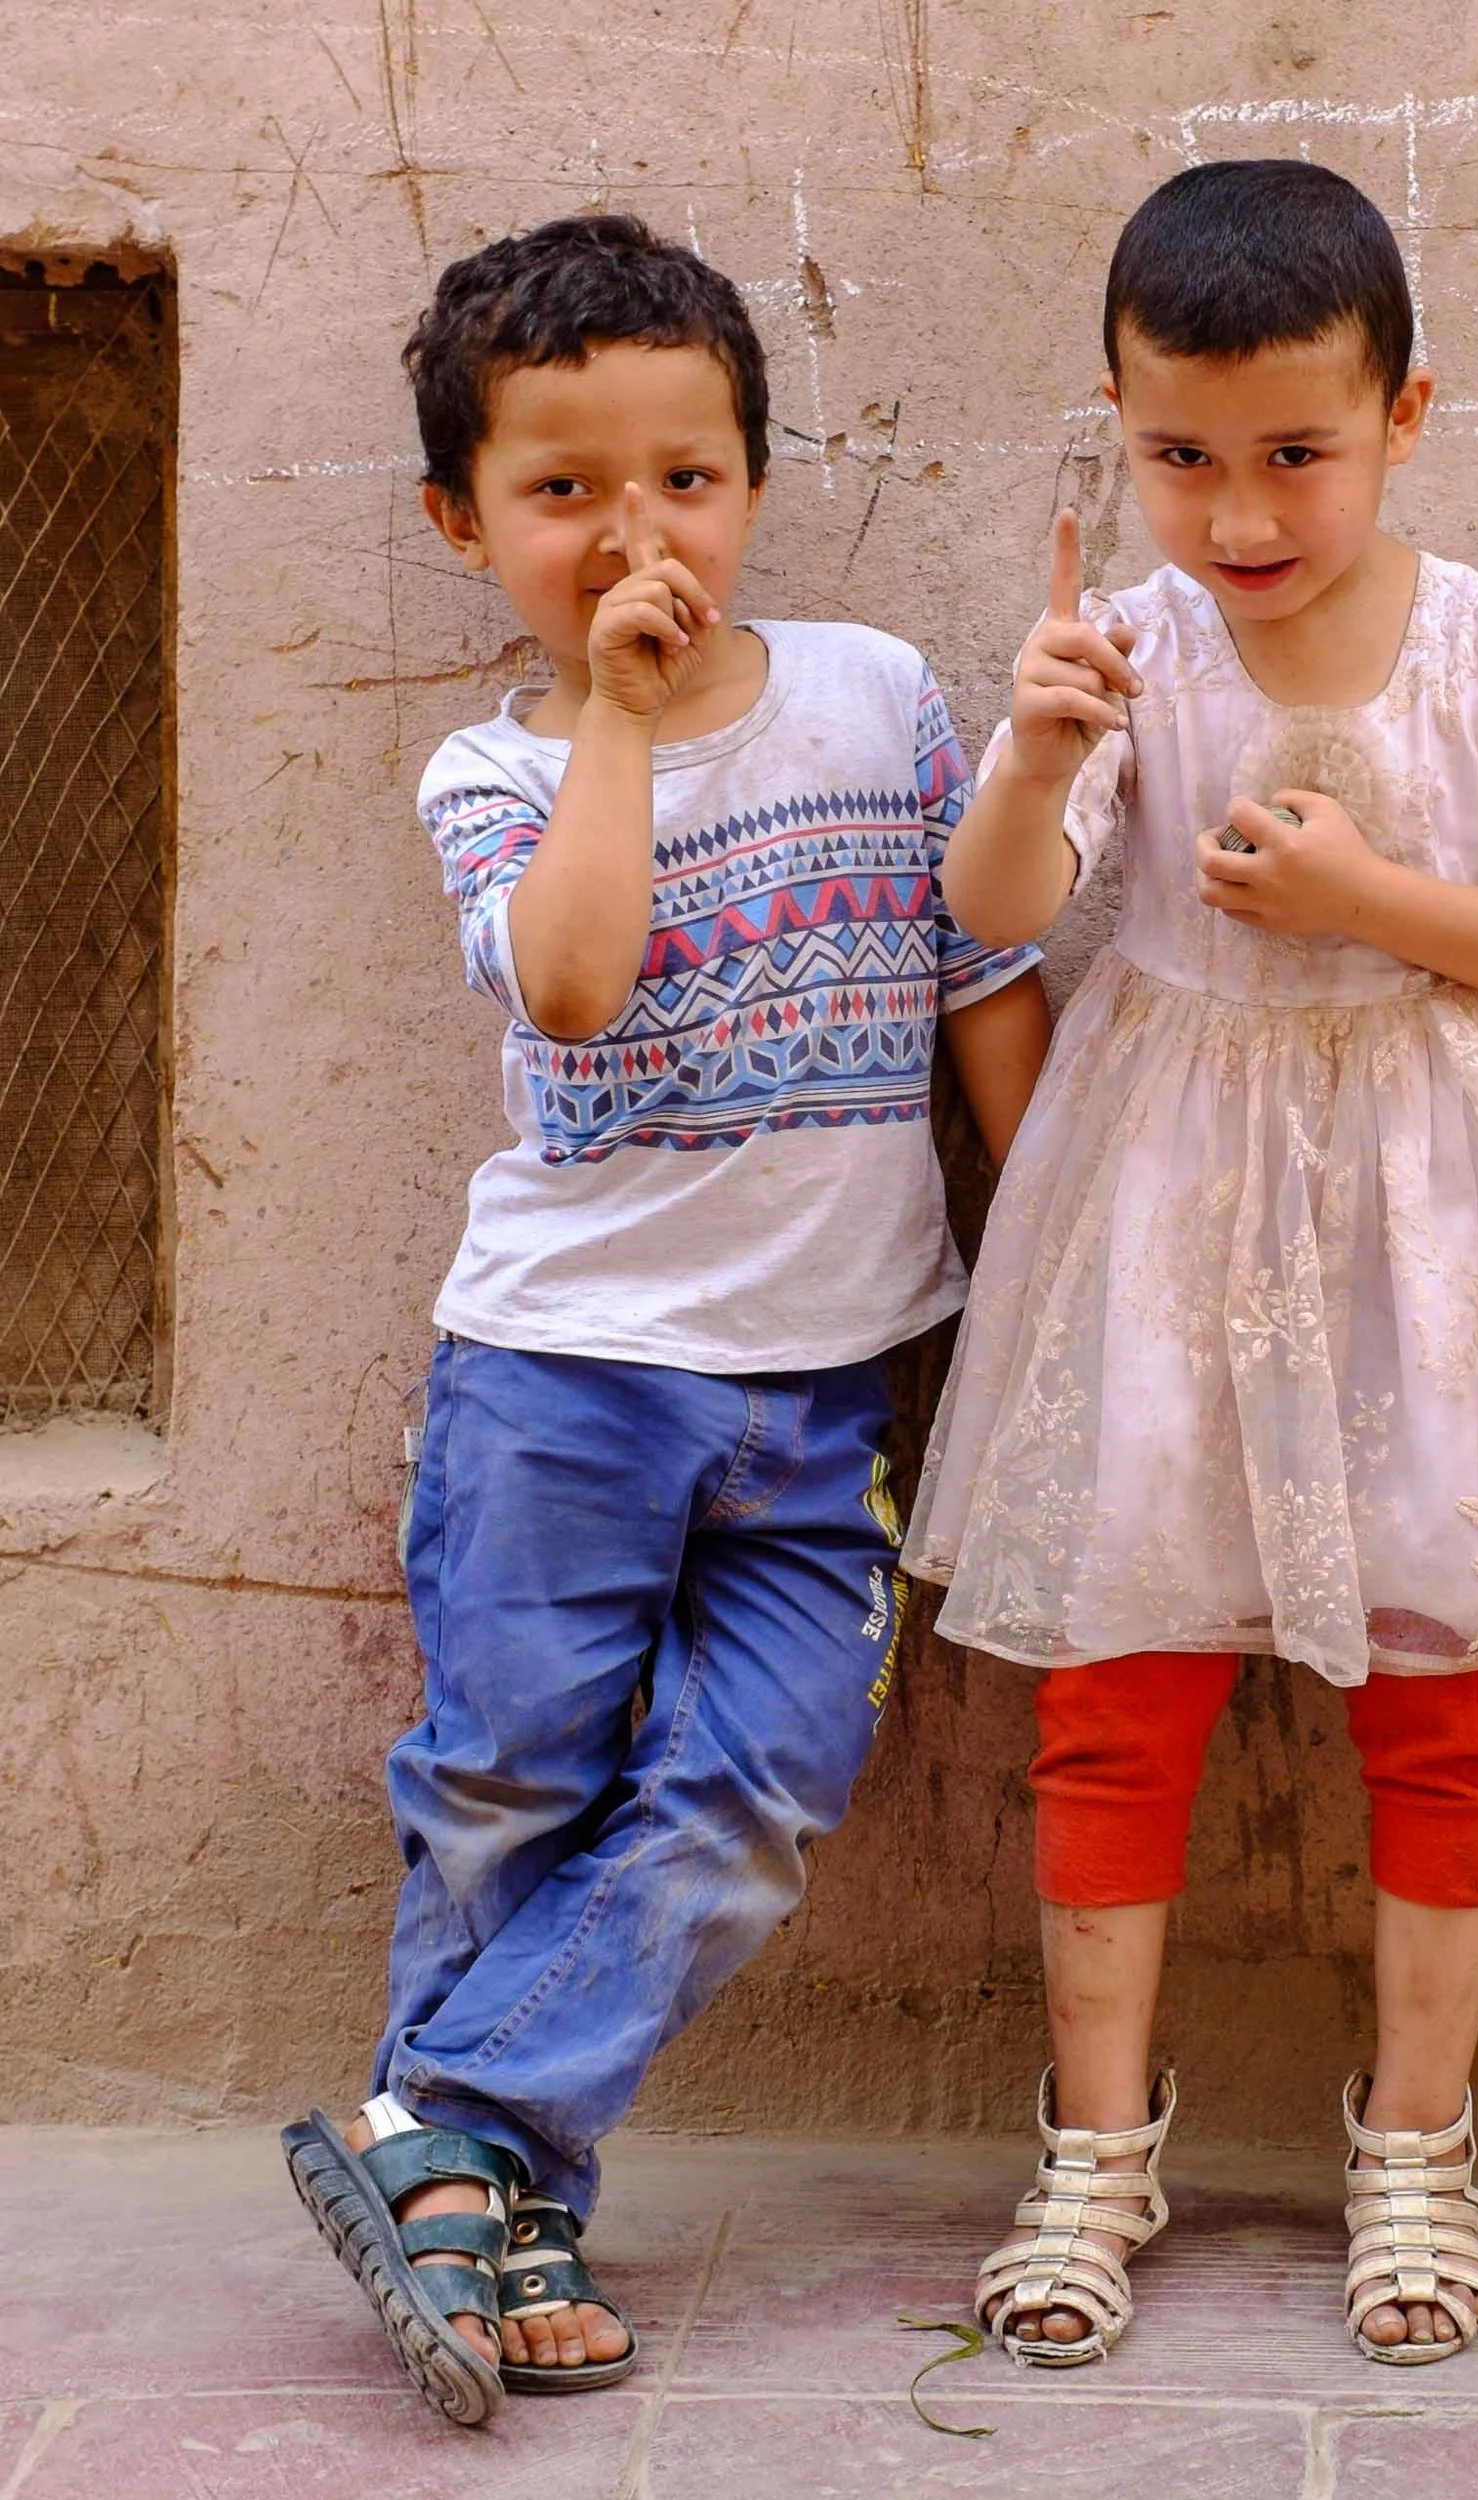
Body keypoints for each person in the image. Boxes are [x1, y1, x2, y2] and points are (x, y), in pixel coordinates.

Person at [904, 159, 1478, 2371]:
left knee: (1453, 1686)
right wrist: (1035, 750)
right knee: (1114, 1680)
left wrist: (1373, 904)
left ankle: (1418, 2138)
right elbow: (995, 912)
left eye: (1297, 451)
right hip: (1170, 1212)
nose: (1241, 511)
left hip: (1442, 1224)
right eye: (1181, 456)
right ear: (1115, 425)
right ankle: (1096, 2145)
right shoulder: (1125, 649)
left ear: (1403, 416)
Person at [281, 213, 1052, 2426]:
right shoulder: (497, 774)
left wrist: (1046, 1261)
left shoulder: (876, 693)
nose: (640, 534)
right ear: (463, 522)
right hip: (561, 1380)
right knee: (510, 1782)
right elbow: (572, 985)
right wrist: (618, 712)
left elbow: (981, 981)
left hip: (824, 1387)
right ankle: (497, 2209)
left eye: (687, 479)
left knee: (762, 1783)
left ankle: (442, 2121)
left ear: (755, 482)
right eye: (564, 490)